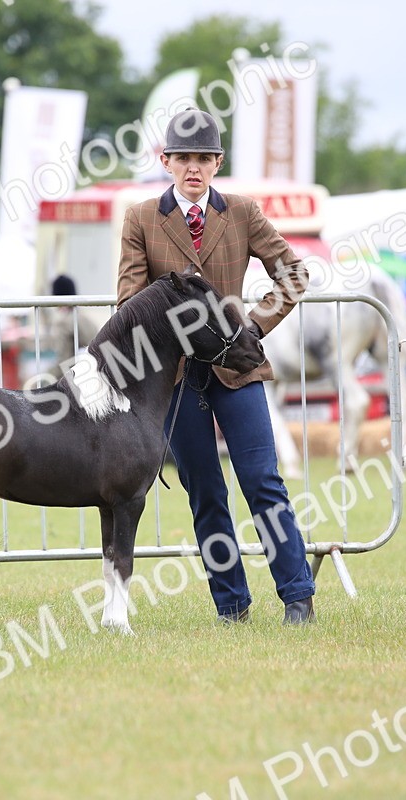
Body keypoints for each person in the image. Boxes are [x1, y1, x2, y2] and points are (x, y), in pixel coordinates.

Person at [117, 108, 315, 624]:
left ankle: (297, 595)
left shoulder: (243, 212)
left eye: (203, 158)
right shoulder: (141, 217)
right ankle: (231, 605)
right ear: (165, 161)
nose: (193, 168)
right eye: (183, 158)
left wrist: (253, 327)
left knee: (262, 481)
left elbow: (294, 273)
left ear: (217, 162)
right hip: (176, 379)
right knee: (204, 489)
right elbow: (128, 301)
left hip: (236, 368)